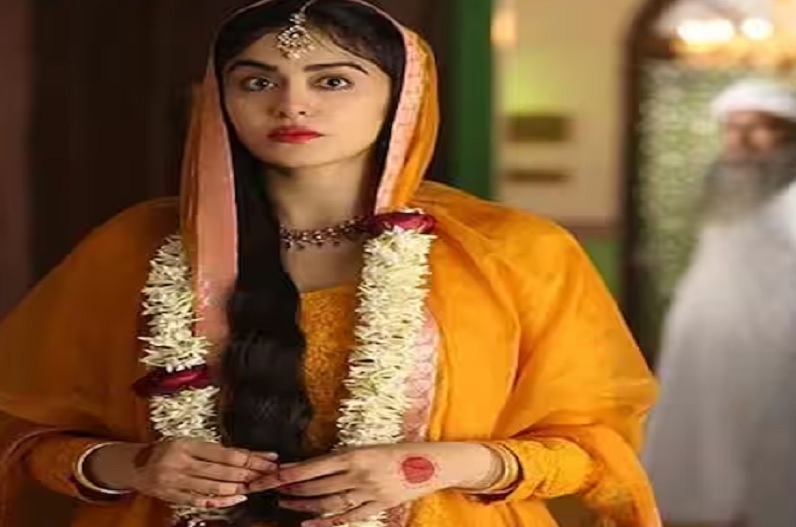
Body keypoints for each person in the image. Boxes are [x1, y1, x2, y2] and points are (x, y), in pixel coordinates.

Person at [0, 1, 658, 526]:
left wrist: (428, 468)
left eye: (333, 80)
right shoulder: (133, 248)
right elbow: (23, 439)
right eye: (258, 81)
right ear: (219, 100)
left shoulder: (513, 252)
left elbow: (593, 450)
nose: (291, 104)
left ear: (402, 98)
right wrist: (135, 464)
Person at [643, 78, 796, 527]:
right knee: (700, 429)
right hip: (705, 336)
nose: (740, 139)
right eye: (732, 127)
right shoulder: (727, 187)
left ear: (787, 135)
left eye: (757, 128)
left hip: (774, 343)